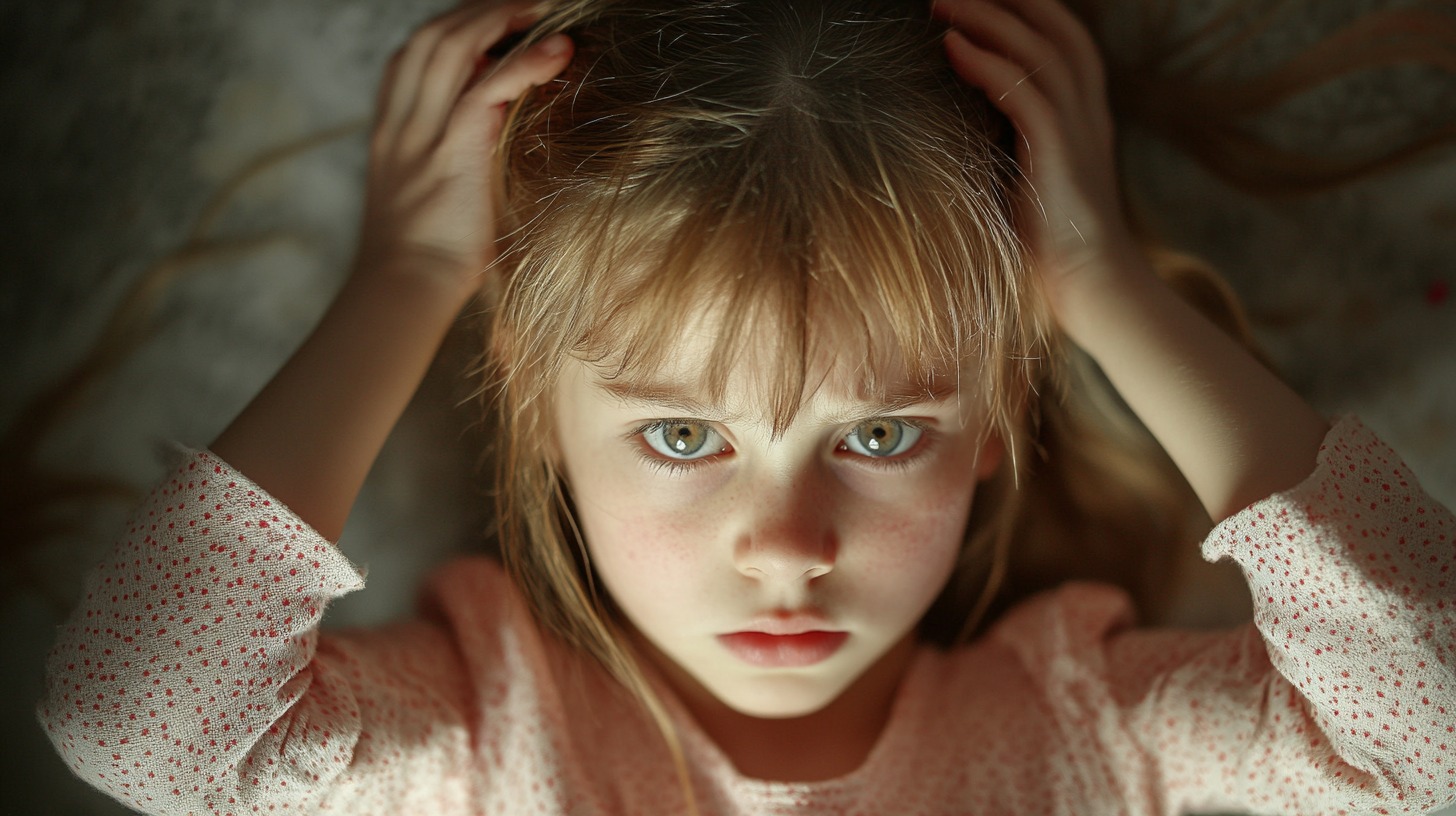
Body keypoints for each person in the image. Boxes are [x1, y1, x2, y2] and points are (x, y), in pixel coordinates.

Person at [36, 0, 1455, 813]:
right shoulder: (485, 733)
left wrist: (1101, 287)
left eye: (884, 434)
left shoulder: (1080, 727)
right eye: (681, 435)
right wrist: (407, 276)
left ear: (997, 427)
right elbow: (139, 725)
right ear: (544, 427)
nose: (787, 546)